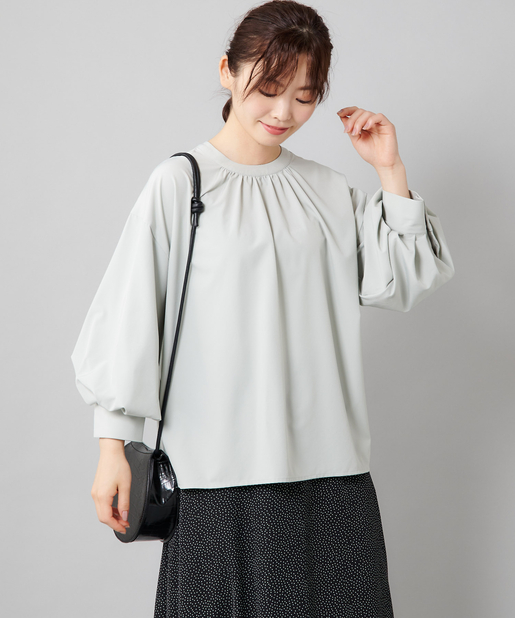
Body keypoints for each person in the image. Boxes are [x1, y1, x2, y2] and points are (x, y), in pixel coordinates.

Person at [70, 1, 455, 616]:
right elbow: (131, 315)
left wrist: (389, 170)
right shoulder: (181, 184)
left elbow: (405, 279)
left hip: (331, 481)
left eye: (304, 97)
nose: (283, 113)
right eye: (268, 90)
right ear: (227, 71)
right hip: (217, 482)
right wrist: (112, 446)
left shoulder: (327, 191)